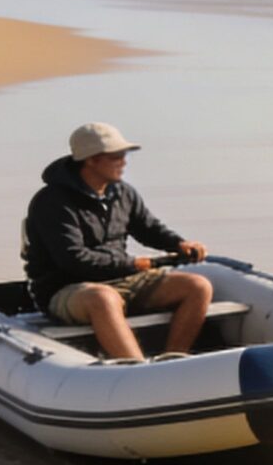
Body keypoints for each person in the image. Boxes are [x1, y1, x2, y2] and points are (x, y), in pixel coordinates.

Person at [23, 123, 211, 360]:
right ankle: (139, 369)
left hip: (122, 277)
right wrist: (133, 264)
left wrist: (178, 244)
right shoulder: (51, 202)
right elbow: (73, 260)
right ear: (91, 160)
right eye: (117, 156)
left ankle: (173, 359)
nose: (124, 162)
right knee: (103, 298)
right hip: (67, 289)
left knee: (198, 286)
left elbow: (148, 228)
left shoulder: (123, 193)